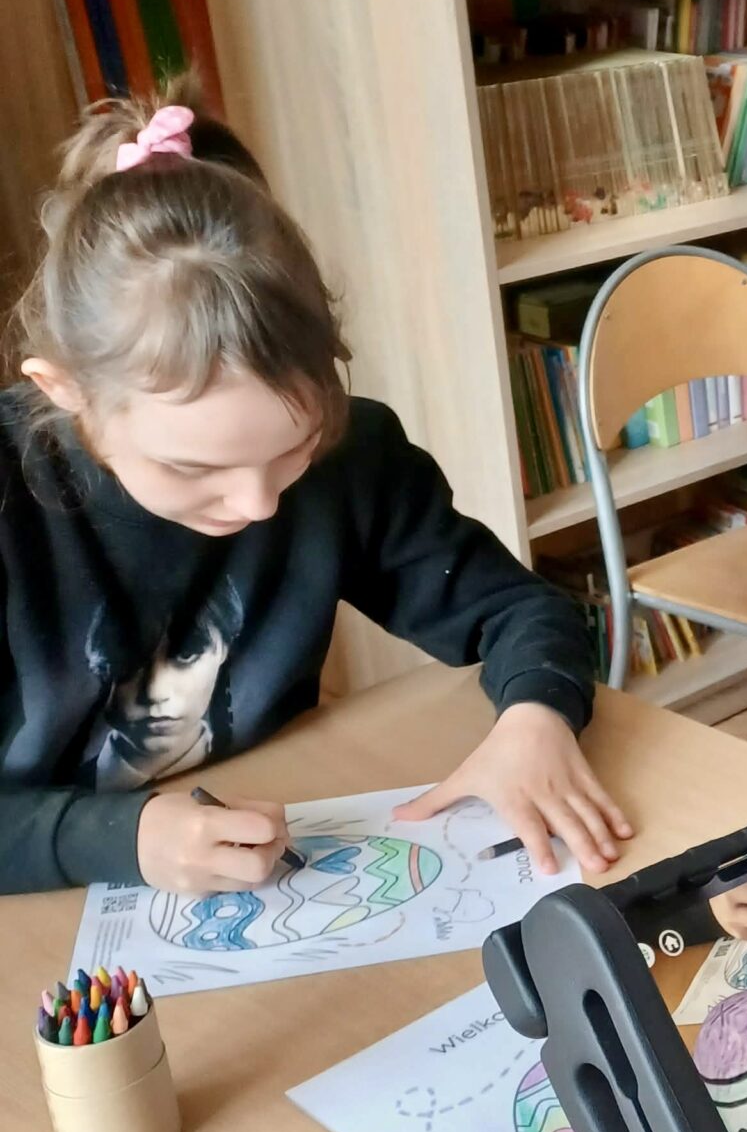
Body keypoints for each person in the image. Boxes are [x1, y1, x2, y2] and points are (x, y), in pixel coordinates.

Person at [0, 90, 631, 896]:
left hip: (262, 856)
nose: (259, 505)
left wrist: (536, 717)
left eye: (295, 448)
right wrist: (120, 840)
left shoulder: (352, 456)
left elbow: (519, 610)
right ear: (65, 391)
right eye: (193, 470)